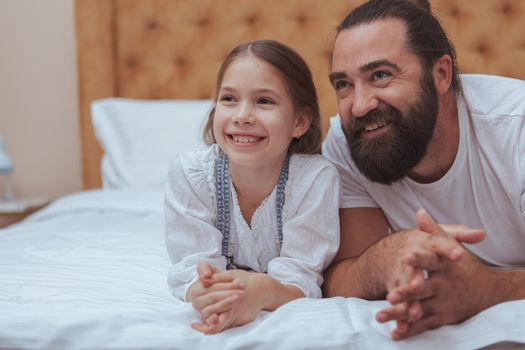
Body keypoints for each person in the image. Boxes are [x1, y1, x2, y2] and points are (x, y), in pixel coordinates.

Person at [322, 0, 525, 341]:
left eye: (381, 75)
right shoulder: (347, 141)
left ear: (441, 74)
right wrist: (388, 257)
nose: (360, 105)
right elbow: (343, 276)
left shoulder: (515, 128)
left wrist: (486, 288)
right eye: (343, 84)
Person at [165, 39, 340, 335]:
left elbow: (300, 278)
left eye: (265, 101)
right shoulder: (191, 174)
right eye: (229, 99)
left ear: (300, 122)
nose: (242, 115)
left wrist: (261, 292)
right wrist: (207, 292)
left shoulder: (315, 179)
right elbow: (192, 266)